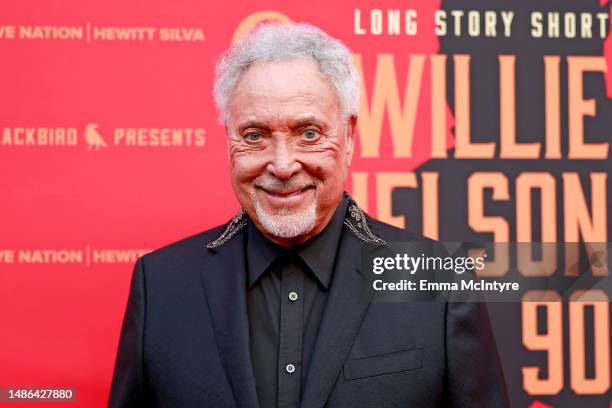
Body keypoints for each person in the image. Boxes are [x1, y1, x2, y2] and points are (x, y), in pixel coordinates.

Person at [108, 22, 508, 407]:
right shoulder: (160, 286)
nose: (282, 165)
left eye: (309, 133)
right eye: (255, 136)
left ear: (349, 136)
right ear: (228, 139)